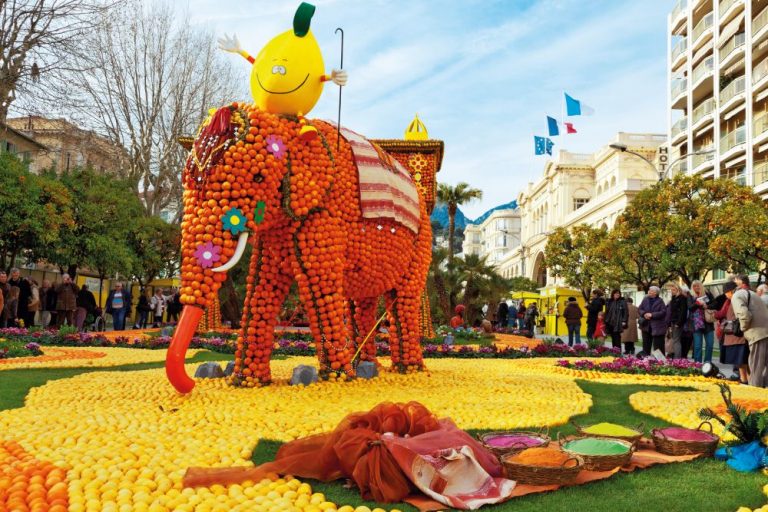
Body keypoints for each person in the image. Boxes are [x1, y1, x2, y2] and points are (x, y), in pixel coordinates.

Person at [731, 277, 768, 387]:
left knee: (756, 365)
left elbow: (745, 315)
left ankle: (754, 392)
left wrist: (743, 329)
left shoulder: (736, 296)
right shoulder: (753, 294)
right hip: (765, 330)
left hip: (757, 333)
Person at [716, 281, 750, 385]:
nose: (725, 295)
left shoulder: (736, 299)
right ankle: (746, 380)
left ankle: (746, 381)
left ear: (730, 291)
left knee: (742, 362)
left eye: (726, 293)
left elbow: (742, 315)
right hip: (735, 336)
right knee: (741, 362)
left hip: (738, 335)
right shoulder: (731, 300)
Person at [688, 280, 715, 364]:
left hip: (708, 323)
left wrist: (707, 306)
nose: (696, 287)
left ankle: (707, 363)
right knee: (697, 346)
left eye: (698, 285)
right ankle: (698, 364)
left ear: (701, 286)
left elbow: (715, 303)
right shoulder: (690, 295)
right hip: (696, 324)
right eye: (694, 286)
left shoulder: (707, 293)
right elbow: (690, 308)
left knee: (710, 345)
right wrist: (697, 303)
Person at [638, 286, 667, 355]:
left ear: (655, 293)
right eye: (649, 290)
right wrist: (644, 314)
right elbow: (639, 309)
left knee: (658, 346)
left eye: (651, 290)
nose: (649, 292)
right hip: (646, 325)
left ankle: (659, 361)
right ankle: (646, 360)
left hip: (657, 326)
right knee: (646, 344)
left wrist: (652, 315)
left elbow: (663, 312)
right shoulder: (645, 299)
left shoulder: (660, 301)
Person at [666, 283, 688, 359]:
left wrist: (679, 323)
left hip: (678, 322)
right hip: (673, 321)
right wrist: (669, 324)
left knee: (676, 340)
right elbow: (671, 312)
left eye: (674, 290)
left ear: (678, 290)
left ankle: (677, 358)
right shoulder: (673, 298)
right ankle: (676, 357)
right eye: (671, 290)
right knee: (675, 340)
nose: (672, 291)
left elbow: (683, 312)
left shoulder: (682, 298)